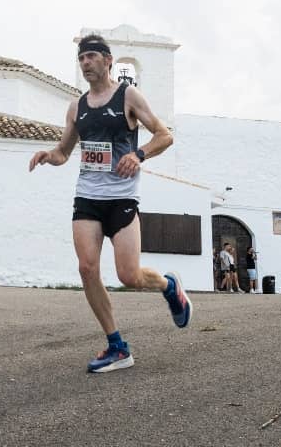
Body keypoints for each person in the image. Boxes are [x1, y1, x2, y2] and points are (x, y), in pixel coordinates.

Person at [28, 33, 190, 373]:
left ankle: (169, 286)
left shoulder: (127, 95)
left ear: (108, 60)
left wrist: (138, 154)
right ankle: (117, 346)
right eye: (81, 58)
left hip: (122, 197)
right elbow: (64, 152)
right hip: (87, 196)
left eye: (91, 56)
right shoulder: (76, 107)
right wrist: (49, 155)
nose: (85, 63)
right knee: (87, 268)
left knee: (129, 276)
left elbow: (165, 135)